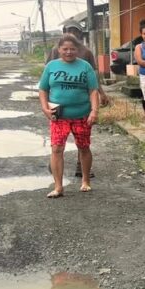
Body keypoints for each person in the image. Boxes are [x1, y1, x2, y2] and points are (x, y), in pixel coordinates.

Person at [39, 35, 99, 198]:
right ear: (59, 50)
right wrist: (44, 108)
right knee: (57, 148)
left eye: (72, 49)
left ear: (77, 50)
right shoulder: (51, 66)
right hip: (58, 116)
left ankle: (85, 181)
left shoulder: (85, 66)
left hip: (82, 115)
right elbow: (43, 89)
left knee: (84, 147)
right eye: (65, 49)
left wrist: (94, 111)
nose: (69, 52)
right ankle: (58, 187)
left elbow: (93, 90)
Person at [47, 20, 108, 178]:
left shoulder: (86, 52)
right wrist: (45, 103)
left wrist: (101, 93)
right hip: (58, 104)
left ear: (80, 34)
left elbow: (93, 78)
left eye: (75, 31)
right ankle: (54, 161)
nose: (72, 34)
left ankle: (81, 167)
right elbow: (47, 75)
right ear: (64, 31)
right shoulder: (56, 50)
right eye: (69, 30)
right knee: (57, 141)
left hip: (81, 104)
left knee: (82, 140)